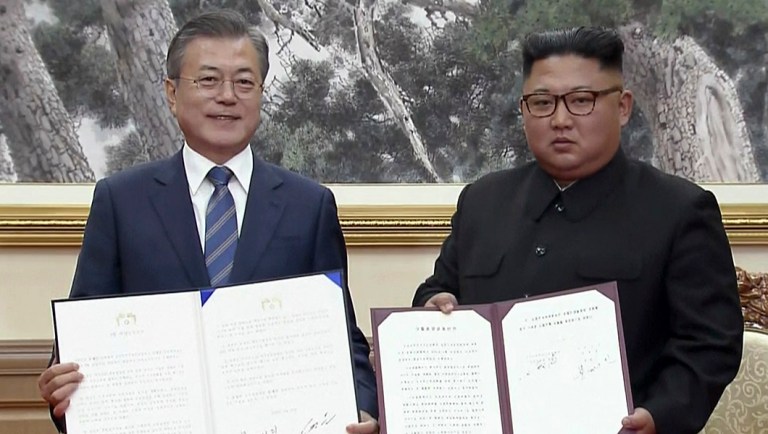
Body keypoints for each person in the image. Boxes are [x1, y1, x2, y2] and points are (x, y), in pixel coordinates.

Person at [37, 9, 378, 434]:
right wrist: (61, 382)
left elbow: (343, 339)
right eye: (209, 80)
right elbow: (84, 335)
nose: (228, 96)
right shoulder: (120, 201)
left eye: (244, 82)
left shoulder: (309, 205)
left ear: (260, 94)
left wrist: (364, 408)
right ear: (171, 93)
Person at [412, 26, 743, 434]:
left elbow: (710, 345)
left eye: (582, 100)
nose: (561, 119)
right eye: (542, 102)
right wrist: (431, 306)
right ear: (524, 109)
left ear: (622, 107)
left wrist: (659, 416)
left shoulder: (680, 210)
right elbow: (439, 290)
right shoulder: (482, 201)